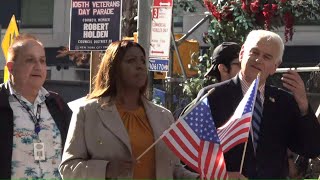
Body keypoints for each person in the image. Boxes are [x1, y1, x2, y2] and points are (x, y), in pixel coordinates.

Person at [59, 40, 199, 179]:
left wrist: (195, 178)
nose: (140, 66)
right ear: (113, 67)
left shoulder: (163, 116)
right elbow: (67, 169)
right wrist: (106, 169)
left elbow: (172, 168)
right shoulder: (88, 112)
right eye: (131, 61)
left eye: (143, 61)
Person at [198, 30, 320, 178]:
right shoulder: (212, 96)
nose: (258, 60)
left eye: (267, 57)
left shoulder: (284, 102)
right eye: (254, 52)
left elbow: (312, 148)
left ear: (275, 66)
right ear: (242, 53)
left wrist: (303, 106)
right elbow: (192, 151)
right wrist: (223, 175)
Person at [0, 34, 72, 178]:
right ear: (11, 68)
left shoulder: (57, 104)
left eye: (42, 60)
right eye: (30, 60)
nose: (38, 67)